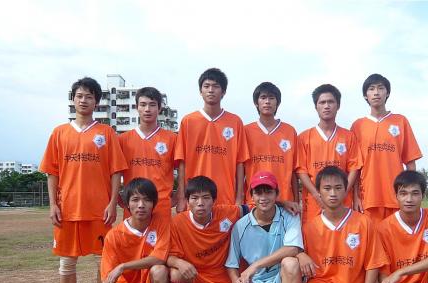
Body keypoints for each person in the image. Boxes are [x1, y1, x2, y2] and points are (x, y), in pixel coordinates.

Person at [39, 76, 127, 283]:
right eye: (79, 96)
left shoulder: (106, 133)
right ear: (73, 99)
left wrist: (112, 203)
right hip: (67, 209)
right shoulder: (59, 133)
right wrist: (52, 205)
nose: (84, 100)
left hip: (99, 210)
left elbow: (116, 172)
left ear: (96, 102)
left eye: (89, 96)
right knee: (67, 263)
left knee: (104, 262)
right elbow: (52, 172)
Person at [297, 166, 386, 283]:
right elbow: (292, 249)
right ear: (318, 192)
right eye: (327, 188)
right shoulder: (309, 227)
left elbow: (373, 263)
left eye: (338, 188)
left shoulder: (364, 222)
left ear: (346, 190)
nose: (333, 193)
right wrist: (300, 254)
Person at [226, 171, 303, 283]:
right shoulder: (240, 226)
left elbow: (293, 249)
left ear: (277, 194)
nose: (263, 197)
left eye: (268, 192)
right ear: (251, 195)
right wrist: (236, 282)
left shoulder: (289, 215)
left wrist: (255, 265)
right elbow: (232, 263)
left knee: (290, 263)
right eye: (258, 192)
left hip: (284, 278)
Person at [167, 176, 247, 283]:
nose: (200, 203)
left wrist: (284, 204)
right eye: (194, 198)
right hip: (193, 276)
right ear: (187, 201)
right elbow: (166, 255)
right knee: (175, 273)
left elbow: (255, 208)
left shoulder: (227, 213)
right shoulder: (177, 222)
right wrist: (179, 262)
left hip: (219, 277)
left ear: (214, 200)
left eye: (206, 198)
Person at [95, 178, 174, 283]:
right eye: (135, 200)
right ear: (127, 204)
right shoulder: (114, 235)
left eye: (146, 200)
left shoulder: (161, 223)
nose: (141, 205)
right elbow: (107, 277)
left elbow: (160, 258)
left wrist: (123, 266)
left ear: (154, 204)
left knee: (159, 270)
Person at [351, 73, 422, 224]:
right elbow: (354, 167)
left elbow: (410, 162)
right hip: (369, 197)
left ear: (387, 93)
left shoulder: (400, 121)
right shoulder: (358, 126)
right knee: (371, 238)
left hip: (396, 196)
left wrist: (410, 194)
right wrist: (355, 196)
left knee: (397, 237)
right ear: (365, 95)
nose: (376, 92)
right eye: (371, 89)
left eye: (380, 88)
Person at [174, 68, 249, 210]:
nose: (210, 90)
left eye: (216, 86)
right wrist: (182, 197)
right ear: (200, 91)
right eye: (206, 86)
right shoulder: (188, 121)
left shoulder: (235, 122)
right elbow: (181, 162)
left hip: (226, 197)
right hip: (195, 199)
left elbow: (240, 163)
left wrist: (239, 197)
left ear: (223, 92)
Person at [297, 84, 362, 225]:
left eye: (331, 102)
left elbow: (354, 168)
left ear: (338, 106)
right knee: (314, 236)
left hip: (343, 201)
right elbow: (301, 171)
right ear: (316, 107)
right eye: (322, 102)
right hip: (314, 202)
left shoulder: (349, 136)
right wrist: (316, 195)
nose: (326, 106)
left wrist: (343, 192)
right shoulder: (304, 138)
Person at [118, 86, 178, 220]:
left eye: (152, 105)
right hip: (133, 207)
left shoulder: (172, 138)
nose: (147, 109)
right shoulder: (122, 140)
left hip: (161, 207)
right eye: (143, 104)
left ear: (159, 108)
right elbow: (113, 172)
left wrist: (179, 195)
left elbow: (183, 169)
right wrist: (116, 196)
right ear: (136, 107)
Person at [244, 82, 299, 211]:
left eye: (271, 98)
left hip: (286, 203)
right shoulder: (246, 131)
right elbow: (240, 169)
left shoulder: (289, 131)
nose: (267, 102)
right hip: (254, 202)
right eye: (263, 97)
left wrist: (296, 200)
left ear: (277, 103)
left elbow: (294, 170)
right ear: (256, 103)